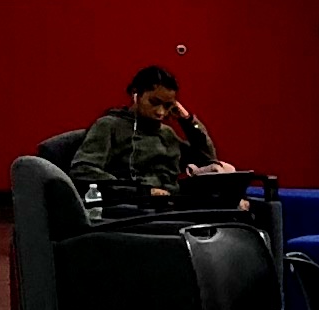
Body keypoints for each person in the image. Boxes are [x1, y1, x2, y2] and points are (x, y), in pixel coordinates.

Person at [72, 65, 225, 211]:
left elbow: (208, 160)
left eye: (167, 106)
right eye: (154, 102)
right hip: (134, 207)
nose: (161, 112)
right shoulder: (110, 125)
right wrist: (140, 192)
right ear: (135, 94)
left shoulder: (167, 133)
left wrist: (188, 121)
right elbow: (83, 170)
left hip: (173, 206)